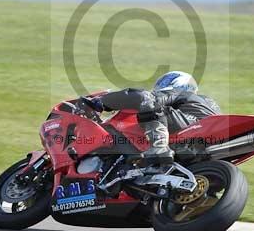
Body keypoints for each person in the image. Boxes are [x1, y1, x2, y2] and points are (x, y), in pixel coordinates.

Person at [82, 71, 221, 166]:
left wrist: (101, 102)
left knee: (145, 99)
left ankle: (158, 148)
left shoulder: (180, 93)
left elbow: (146, 98)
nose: (159, 87)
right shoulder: (206, 102)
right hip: (207, 138)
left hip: (191, 126)